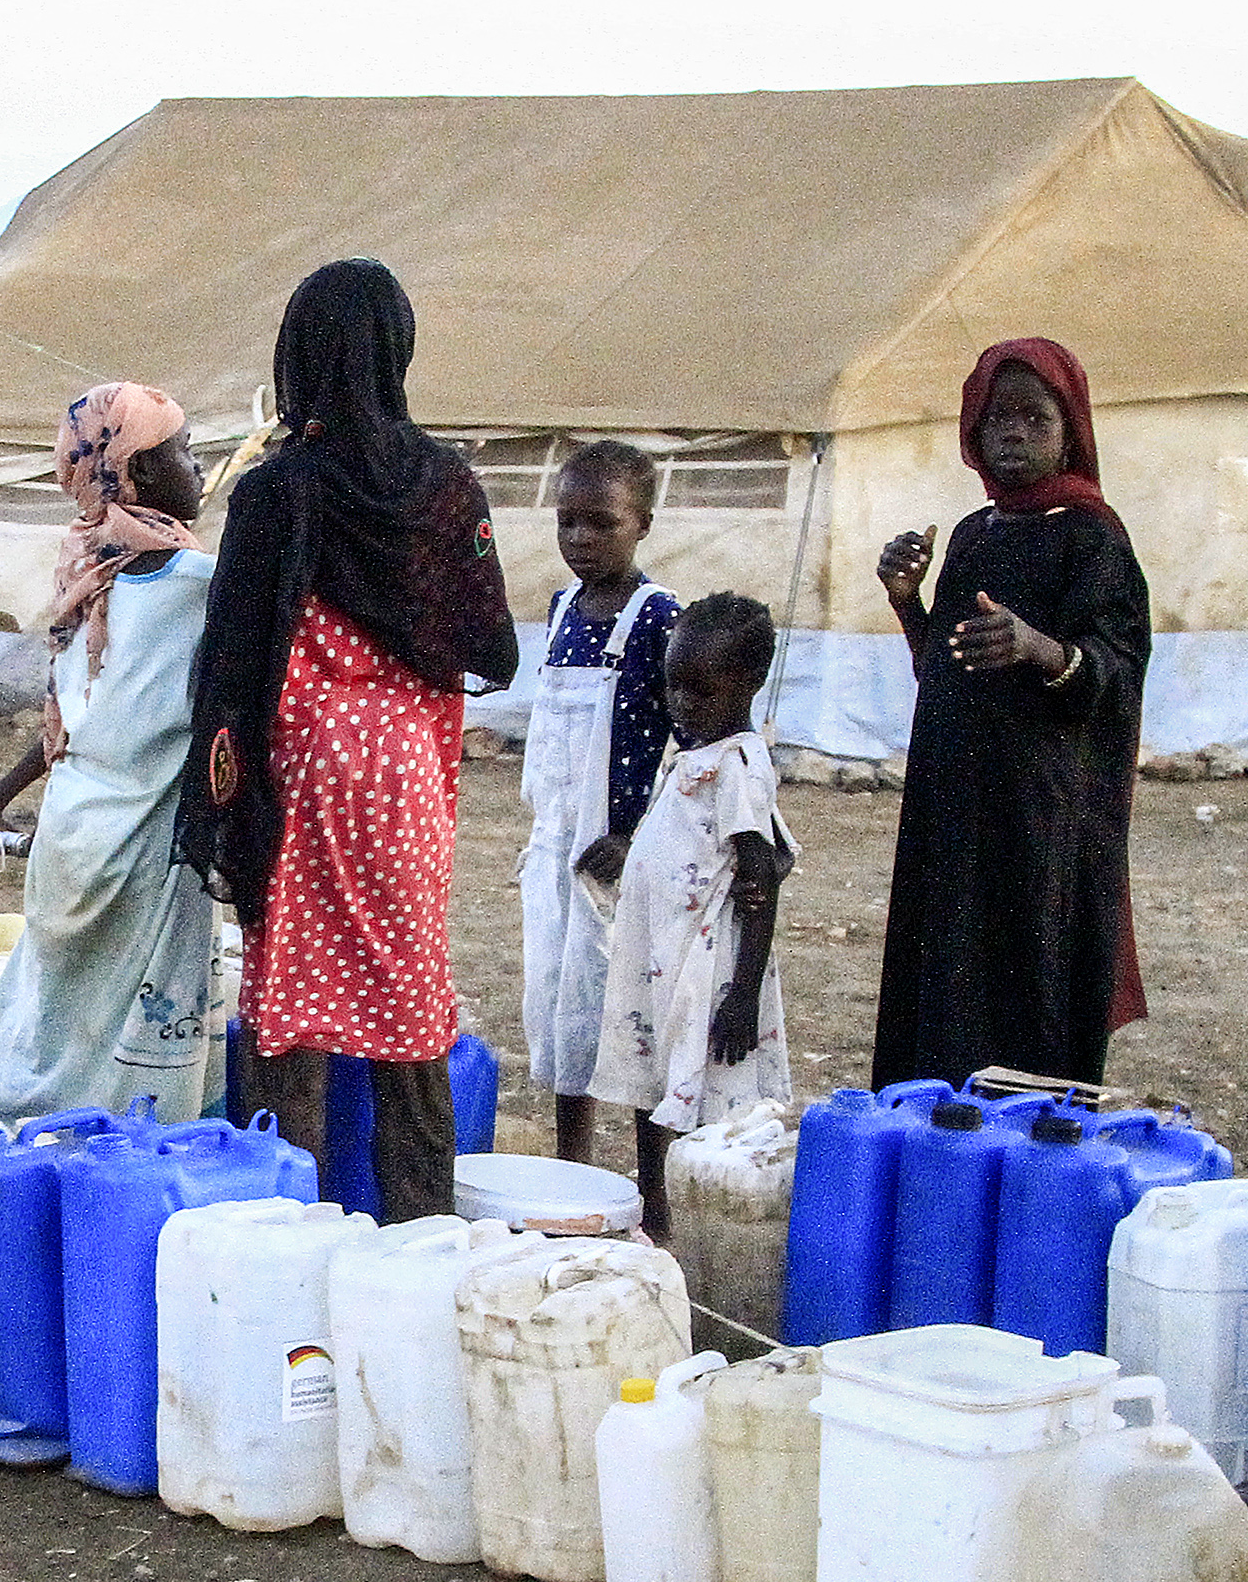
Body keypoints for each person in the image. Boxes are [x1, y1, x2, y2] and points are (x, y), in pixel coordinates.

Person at [176, 259, 518, 1221]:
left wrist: (225, 812)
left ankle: (293, 1243)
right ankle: (422, 1242)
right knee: (409, 1008)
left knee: (292, 1015)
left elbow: (233, 664)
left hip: (306, 777)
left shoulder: (277, 489)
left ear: (298, 356)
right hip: (406, 778)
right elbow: (487, 641)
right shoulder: (446, 486)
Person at [871, 339, 1151, 1089]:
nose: (1014, 433)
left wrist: (1040, 648)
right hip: (954, 810)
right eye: (998, 417)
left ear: (1071, 428)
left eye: (1035, 416)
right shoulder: (972, 535)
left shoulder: (1093, 536)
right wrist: (908, 603)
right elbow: (944, 672)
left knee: (1028, 996)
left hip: (1040, 820)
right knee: (946, 994)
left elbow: (1117, 670)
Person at [0, 382, 218, 1121]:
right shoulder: (201, 585)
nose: (198, 470)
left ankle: (23, 1147)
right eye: (183, 452)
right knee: (127, 1035)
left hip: (72, 833)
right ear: (130, 472)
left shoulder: (84, 574)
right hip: (138, 844)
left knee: (55, 1020)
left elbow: (68, 719)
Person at [588, 594, 796, 1237]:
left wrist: (740, 999)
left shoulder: (737, 764)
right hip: (662, 963)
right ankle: (657, 1217)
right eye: (673, 686)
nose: (681, 703)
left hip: (711, 971)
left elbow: (761, 875)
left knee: (706, 1097)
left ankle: (700, 1225)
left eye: (700, 692)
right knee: (657, 1089)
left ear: (749, 683)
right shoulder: (691, 759)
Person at [521, 440, 680, 1167]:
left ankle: (654, 1187)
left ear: (643, 523)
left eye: (601, 524)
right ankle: (572, 1171)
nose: (579, 539)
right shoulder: (560, 611)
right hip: (558, 846)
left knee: (640, 1016)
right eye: (567, 523)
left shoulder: (659, 619)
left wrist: (635, 834)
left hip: (623, 856)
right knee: (564, 1004)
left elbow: (690, 743)